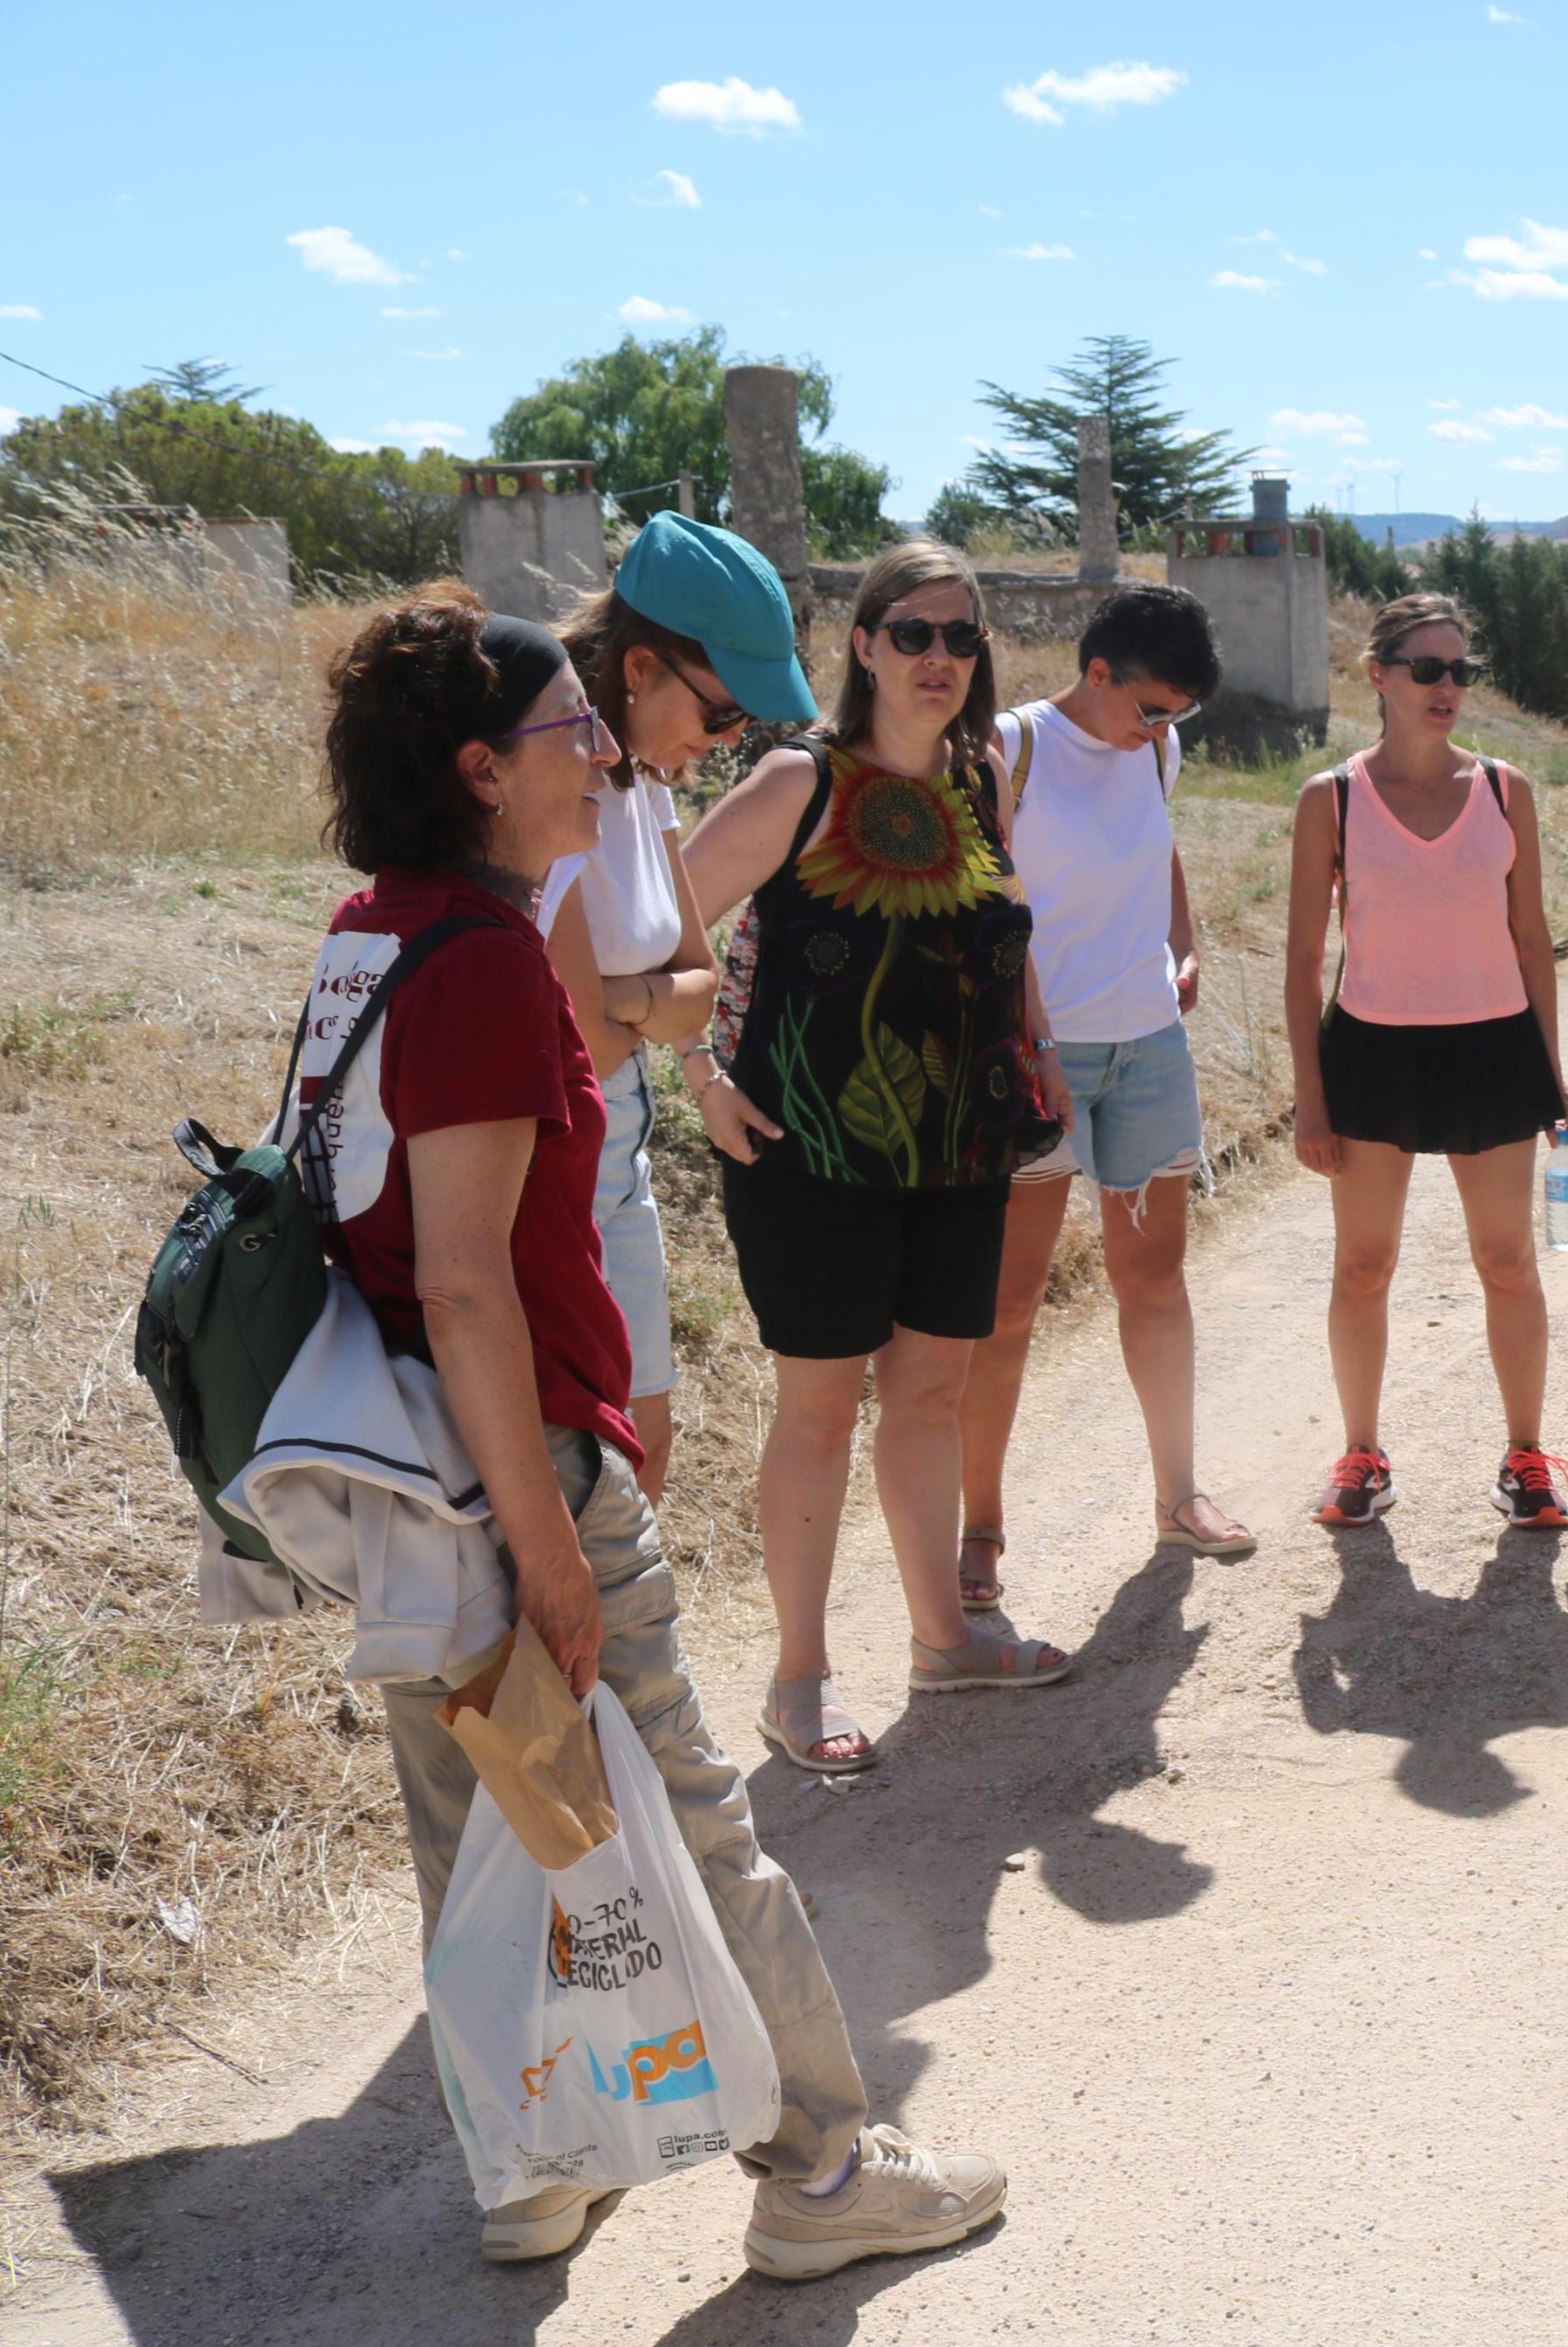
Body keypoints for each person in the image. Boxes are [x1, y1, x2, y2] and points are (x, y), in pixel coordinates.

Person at [301, 585, 1005, 2275]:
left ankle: (533, 2167)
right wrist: (554, 1550)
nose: (603, 756)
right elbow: (469, 1282)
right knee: (689, 1817)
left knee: (479, 1827)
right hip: (512, 1457)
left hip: (404, 1467)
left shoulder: (369, 930)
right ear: (481, 767)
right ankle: (826, 2174)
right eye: (572, 732)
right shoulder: (475, 964)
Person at [680, 540, 1071, 1778]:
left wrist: (1039, 1038)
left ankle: (940, 1637)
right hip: (808, 1149)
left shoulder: (978, 776)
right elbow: (660, 914)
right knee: (819, 1407)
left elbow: (1002, 925)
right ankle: (797, 1675)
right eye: (914, 633)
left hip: (959, 1143)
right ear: (861, 644)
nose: (941, 658)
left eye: (962, 638)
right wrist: (698, 1080)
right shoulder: (798, 779)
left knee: (930, 1394)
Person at [960, 583, 1256, 1595]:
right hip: (1036, 1057)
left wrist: (1183, 939)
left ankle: (1178, 1497)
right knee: (1007, 1306)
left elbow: (1153, 839)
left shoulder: (1155, 751)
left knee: (1155, 1282)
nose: (1163, 733)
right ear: (1097, 673)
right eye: (1152, 709)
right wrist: (1032, 1033)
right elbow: (984, 903)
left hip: (1145, 1045)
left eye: (1176, 716)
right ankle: (980, 1533)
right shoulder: (1012, 745)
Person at [1282, 592, 1568, 1533]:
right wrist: (1309, 1098)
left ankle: (1526, 1456)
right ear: (1377, 677)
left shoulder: (1505, 789)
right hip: (1371, 1053)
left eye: (1460, 670)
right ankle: (1361, 1453)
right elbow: (1299, 959)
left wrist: (1552, 1076)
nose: (1447, 685)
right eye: (1427, 668)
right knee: (1362, 1266)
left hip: (1492, 1048)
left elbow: (1532, 939)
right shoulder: (1329, 798)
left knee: (1506, 1260)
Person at [541, 512, 816, 1503]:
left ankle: (603, 1660)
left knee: (642, 1450)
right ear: (641, 665)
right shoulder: (549, 784)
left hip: (621, 1148)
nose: (729, 742)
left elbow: (697, 983)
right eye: (722, 714)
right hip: (550, 1160)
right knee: (579, 1462)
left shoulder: (643, 786)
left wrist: (639, 1003)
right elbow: (577, 1018)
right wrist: (648, 1004)